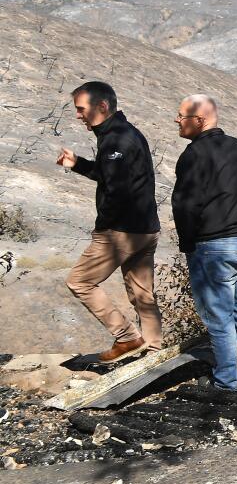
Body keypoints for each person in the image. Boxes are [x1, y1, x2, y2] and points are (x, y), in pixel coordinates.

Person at [171, 94, 237, 391]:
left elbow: (184, 205)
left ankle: (227, 380)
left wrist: (188, 242)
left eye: (181, 116)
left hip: (212, 246)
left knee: (218, 317)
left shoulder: (193, 156)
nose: (177, 121)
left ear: (198, 120)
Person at [57, 81, 163, 363]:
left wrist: (102, 227)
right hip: (146, 229)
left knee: (80, 282)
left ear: (102, 107)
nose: (78, 115)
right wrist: (78, 163)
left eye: (81, 110)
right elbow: (110, 176)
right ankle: (153, 352)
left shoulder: (117, 140)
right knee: (142, 294)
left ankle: (127, 337)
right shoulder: (123, 134)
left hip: (121, 232)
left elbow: (117, 191)